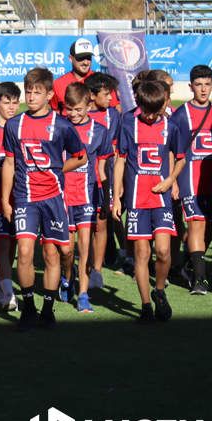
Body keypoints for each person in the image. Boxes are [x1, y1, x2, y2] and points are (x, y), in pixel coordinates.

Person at [1, 68, 87, 331]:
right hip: (25, 197)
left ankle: (48, 308)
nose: (31, 96)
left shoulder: (62, 125)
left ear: (50, 94)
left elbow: (80, 156)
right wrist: (6, 199)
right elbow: (10, 162)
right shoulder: (14, 125)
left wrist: (60, 170)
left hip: (53, 198)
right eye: (28, 91)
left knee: (54, 254)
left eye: (37, 92)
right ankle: (28, 307)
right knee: (25, 252)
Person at [112, 80, 183, 322]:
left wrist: (171, 180)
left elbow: (180, 157)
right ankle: (145, 306)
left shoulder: (171, 126)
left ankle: (159, 290)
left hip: (160, 198)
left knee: (163, 251)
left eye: (157, 111)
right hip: (136, 199)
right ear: (140, 104)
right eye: (147, 111)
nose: (152, 116)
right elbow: (121, 159)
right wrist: (116, 196)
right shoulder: (127, 123)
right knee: (142, 253)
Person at [170, 65, 212, 295]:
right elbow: (171, 149)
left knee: (208, 226)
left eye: (207, 85)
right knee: (196, 223)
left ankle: (188, 262)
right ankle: (200, 280)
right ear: (190, 86)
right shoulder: (180, 114)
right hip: (189, 180)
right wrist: (173, 180)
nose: (203, 90)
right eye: (199, 85)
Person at [61, 82, 112, 312]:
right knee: (66, 250)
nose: (73, 114)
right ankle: (66, 277)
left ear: (88, 105)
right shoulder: (58, 127)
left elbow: (102, 168)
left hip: (87, 196)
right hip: (61, 196)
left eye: (78, 109)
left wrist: (108, 195)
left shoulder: (100, 131)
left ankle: (83, 294)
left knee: (84, 247)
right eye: (69, 109)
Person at [84, 72, 121, 289]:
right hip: (77, 182)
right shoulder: (75, 114)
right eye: (107, 94)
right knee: (81, 227)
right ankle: (80, 268)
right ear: (91, 94)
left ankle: (96, 271)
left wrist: (116, 183)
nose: (111, 99)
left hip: (102, 178)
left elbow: (115, 152)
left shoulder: (113, 116)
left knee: (101, 223)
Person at [0, 82, 20, 310]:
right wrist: (4, 170)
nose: (11, 107)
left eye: (15, 102)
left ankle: (0, 282)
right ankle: (8, 294)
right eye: (6, 102)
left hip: (21, 196)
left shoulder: (21, 127)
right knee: (1, 243)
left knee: (15, 242)